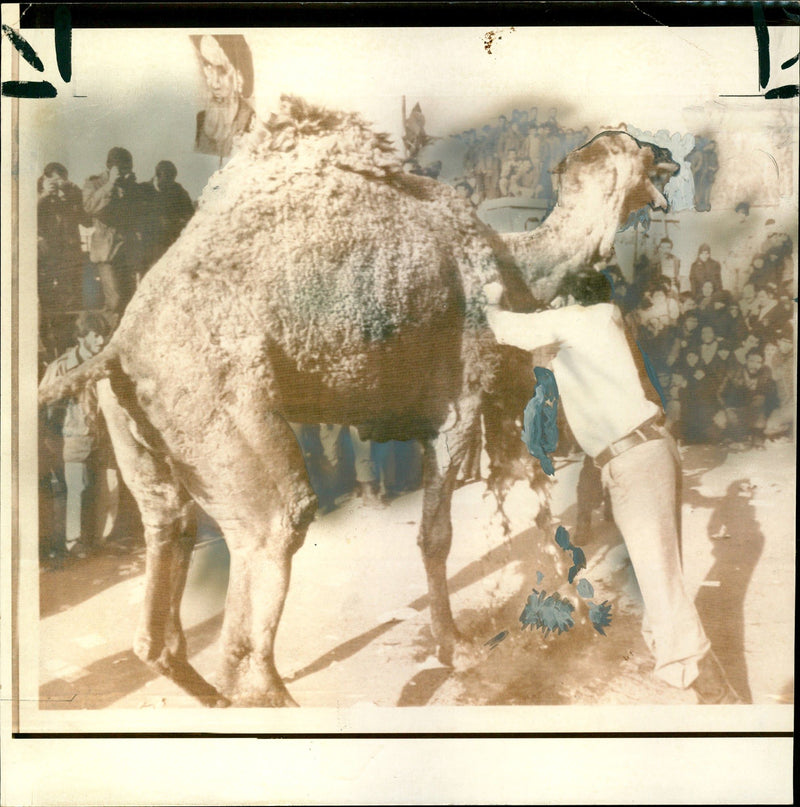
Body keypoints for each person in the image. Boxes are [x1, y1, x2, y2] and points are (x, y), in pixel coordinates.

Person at [483, 273, 741, 703]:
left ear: (569, 297)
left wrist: (490, 298)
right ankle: (699, 680)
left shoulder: (578, 320)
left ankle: (719, 696)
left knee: (661, 586)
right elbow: (547, 368)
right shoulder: (600, 322)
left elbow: (505, 329)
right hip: (646, 451)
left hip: (634, 461)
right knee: (662, 578)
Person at [39, 312, 111, 559]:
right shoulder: (61, 366)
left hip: (99, 436)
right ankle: (73, 542)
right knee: (76, 489)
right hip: (71, 436)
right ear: (82, 337)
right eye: (96, 335)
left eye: (104, 335)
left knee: (98, 489)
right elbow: (42, 401)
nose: (101, 341)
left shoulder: (104, 363)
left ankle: (95, 540)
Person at [82, 147, 144, 327]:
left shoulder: (130, 184)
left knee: (129, 297)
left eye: (129, 168)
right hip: (107, 251)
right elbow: (90, 207)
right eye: (123, 168)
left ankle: (123, 335)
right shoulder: (94, 184)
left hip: (127, 249)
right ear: (111, 167)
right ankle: (107, 335)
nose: (127, 171)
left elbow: (137, 213)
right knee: (114, 299)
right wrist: (110, 185)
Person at [192, 34, 256, 159]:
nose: (214, 83)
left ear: (239, 77)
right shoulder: (200, 120)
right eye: (208, 68)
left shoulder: (252, 124)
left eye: (222, 71)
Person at [37, 162, 89, 313]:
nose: (61, 185)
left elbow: (87, 221)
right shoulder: (37, 196)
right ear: (46, 179)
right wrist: (44, 195)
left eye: (63, 180)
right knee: (49, 297)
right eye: (57, 181)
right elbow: (27, 218)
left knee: (72, 295)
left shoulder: (70, 196)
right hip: (48, 253)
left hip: (70, 252)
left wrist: (77, 196)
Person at [138, 160, 195, 272]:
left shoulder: (178, 191)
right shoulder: (143, 190)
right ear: (158, 175)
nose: (170, 183)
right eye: (168, 179)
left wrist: (176, 222)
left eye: (172, 179)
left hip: (168, 243)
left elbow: (190, 216)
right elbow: (134, 216)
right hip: (147, 245)